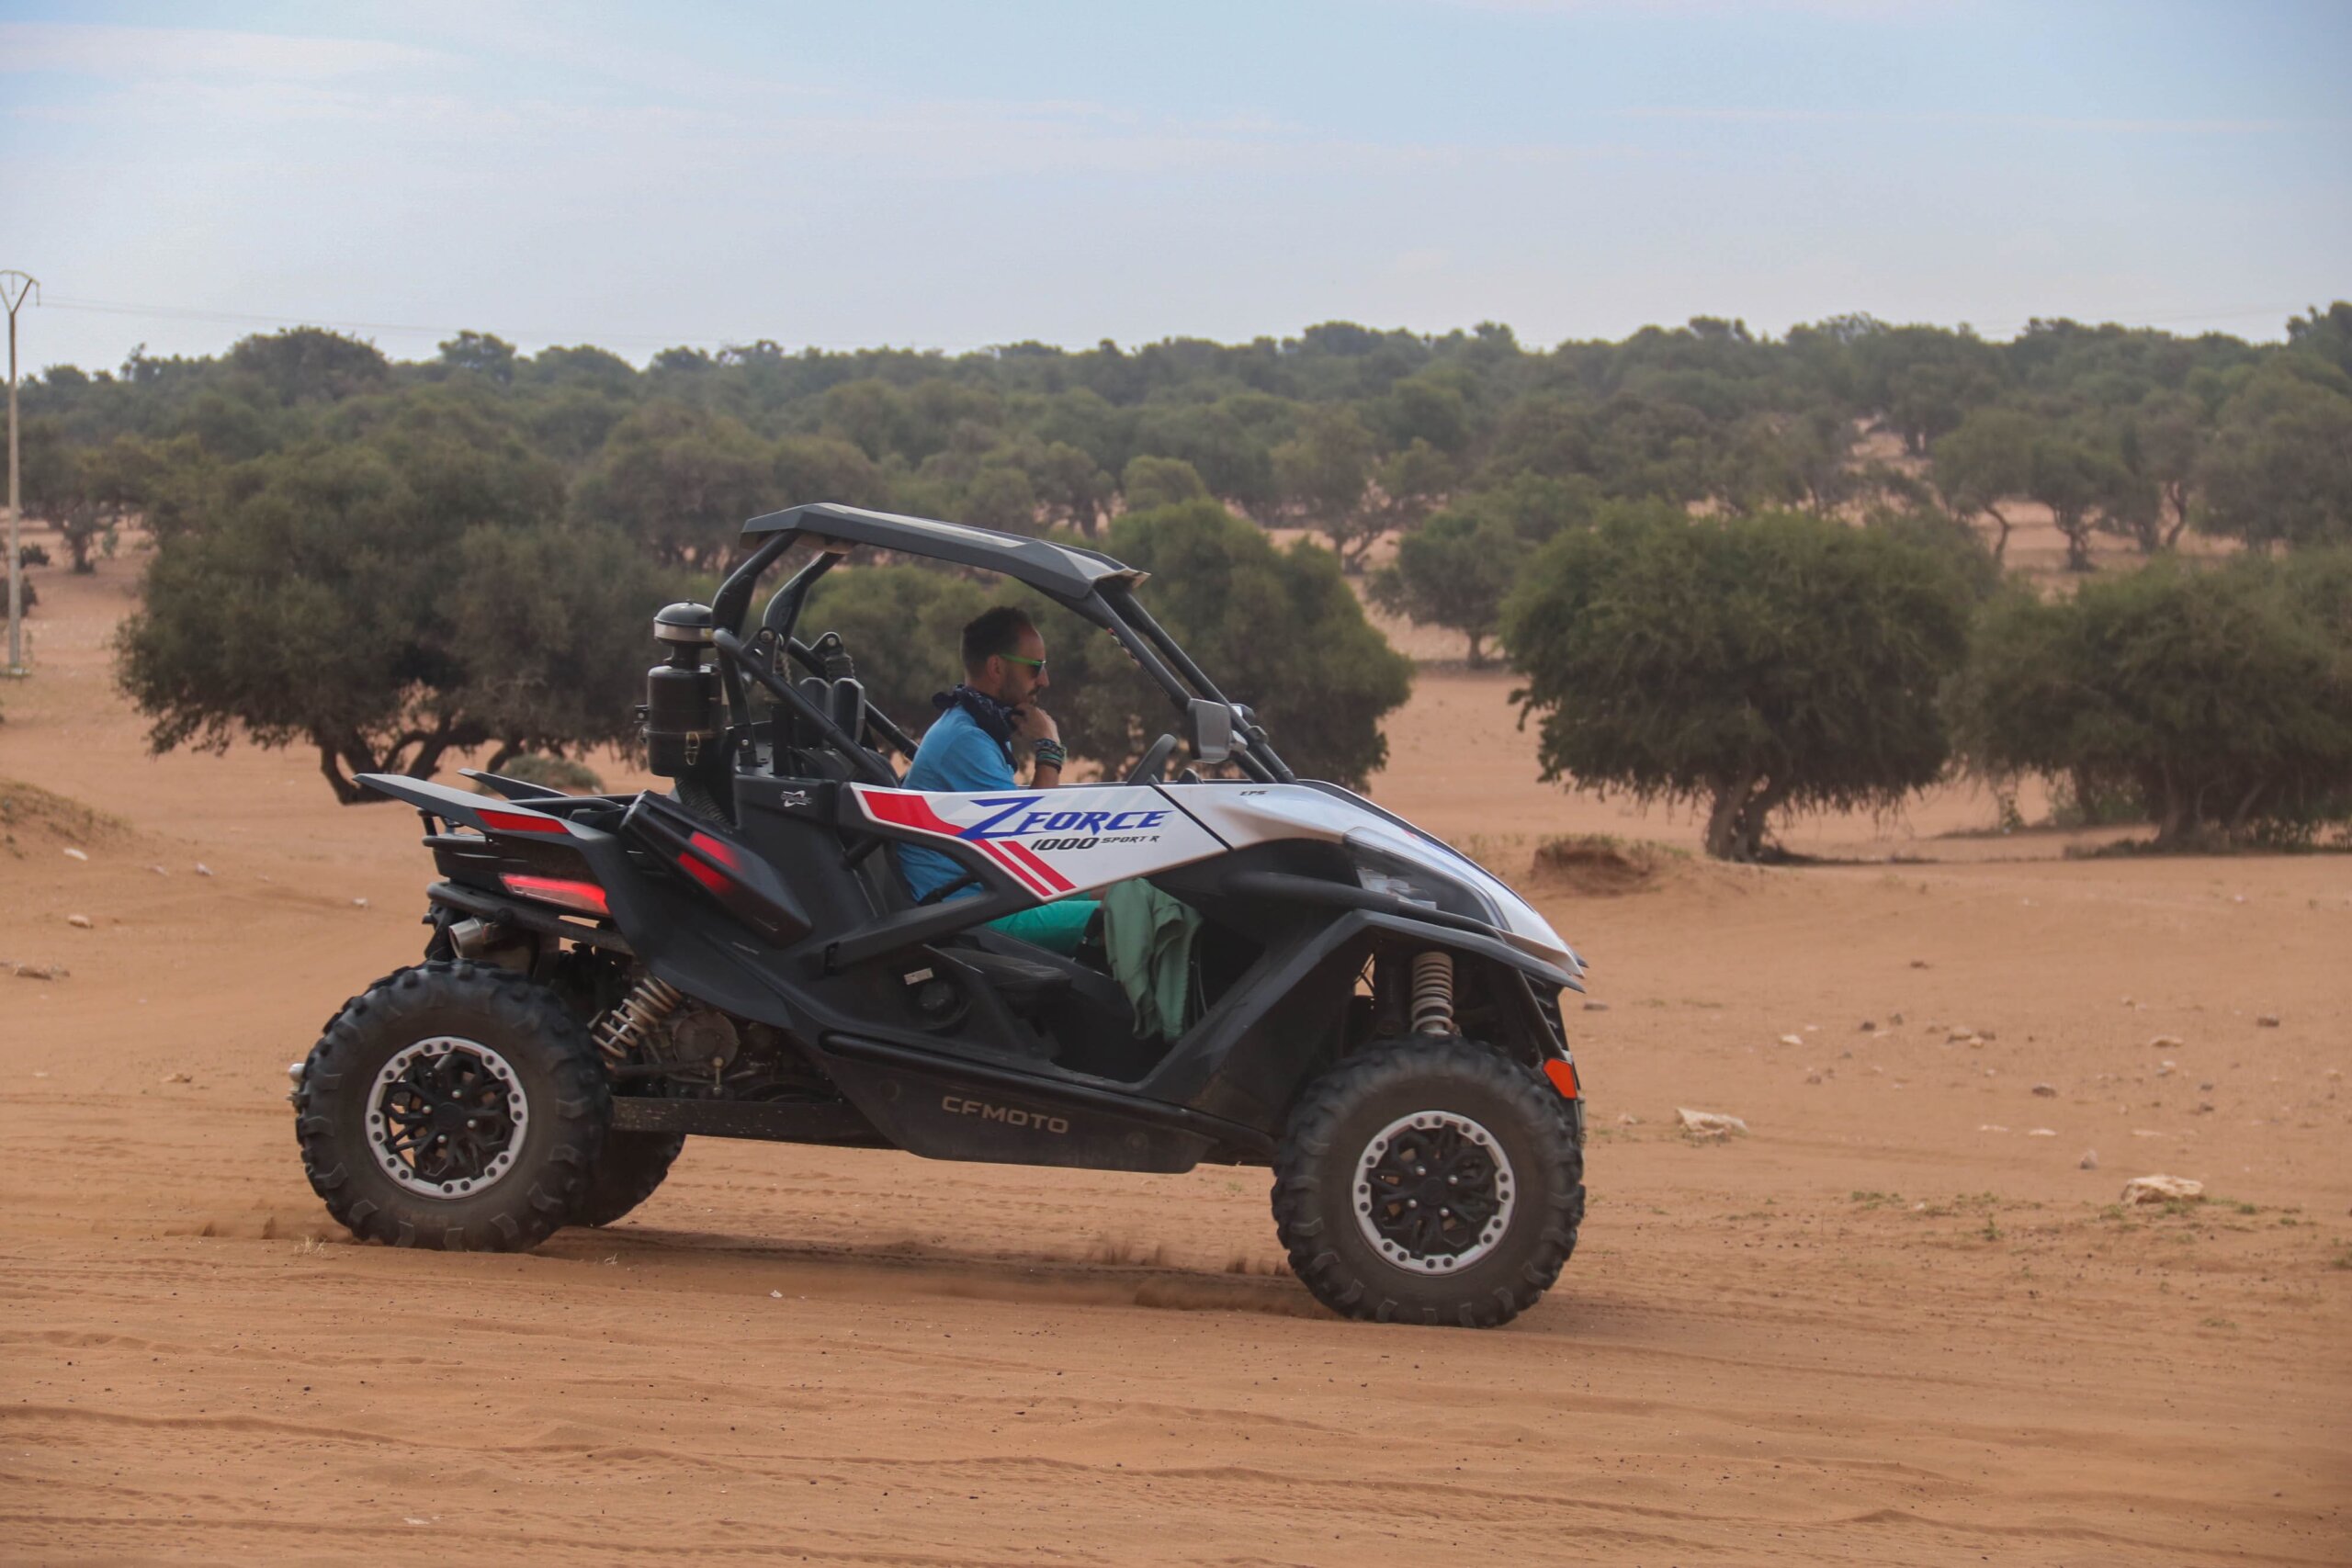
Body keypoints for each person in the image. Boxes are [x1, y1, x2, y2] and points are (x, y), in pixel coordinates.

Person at [899, 605, 1101, 956]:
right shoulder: (966, 740)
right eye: (1035, 668)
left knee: (1131, 889)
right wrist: (1049, 749)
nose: (1044, 680)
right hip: (973, 910)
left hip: (990, 890)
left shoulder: (977, 725)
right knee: (1129, 917)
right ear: (997, 667)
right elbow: (1029, 834)